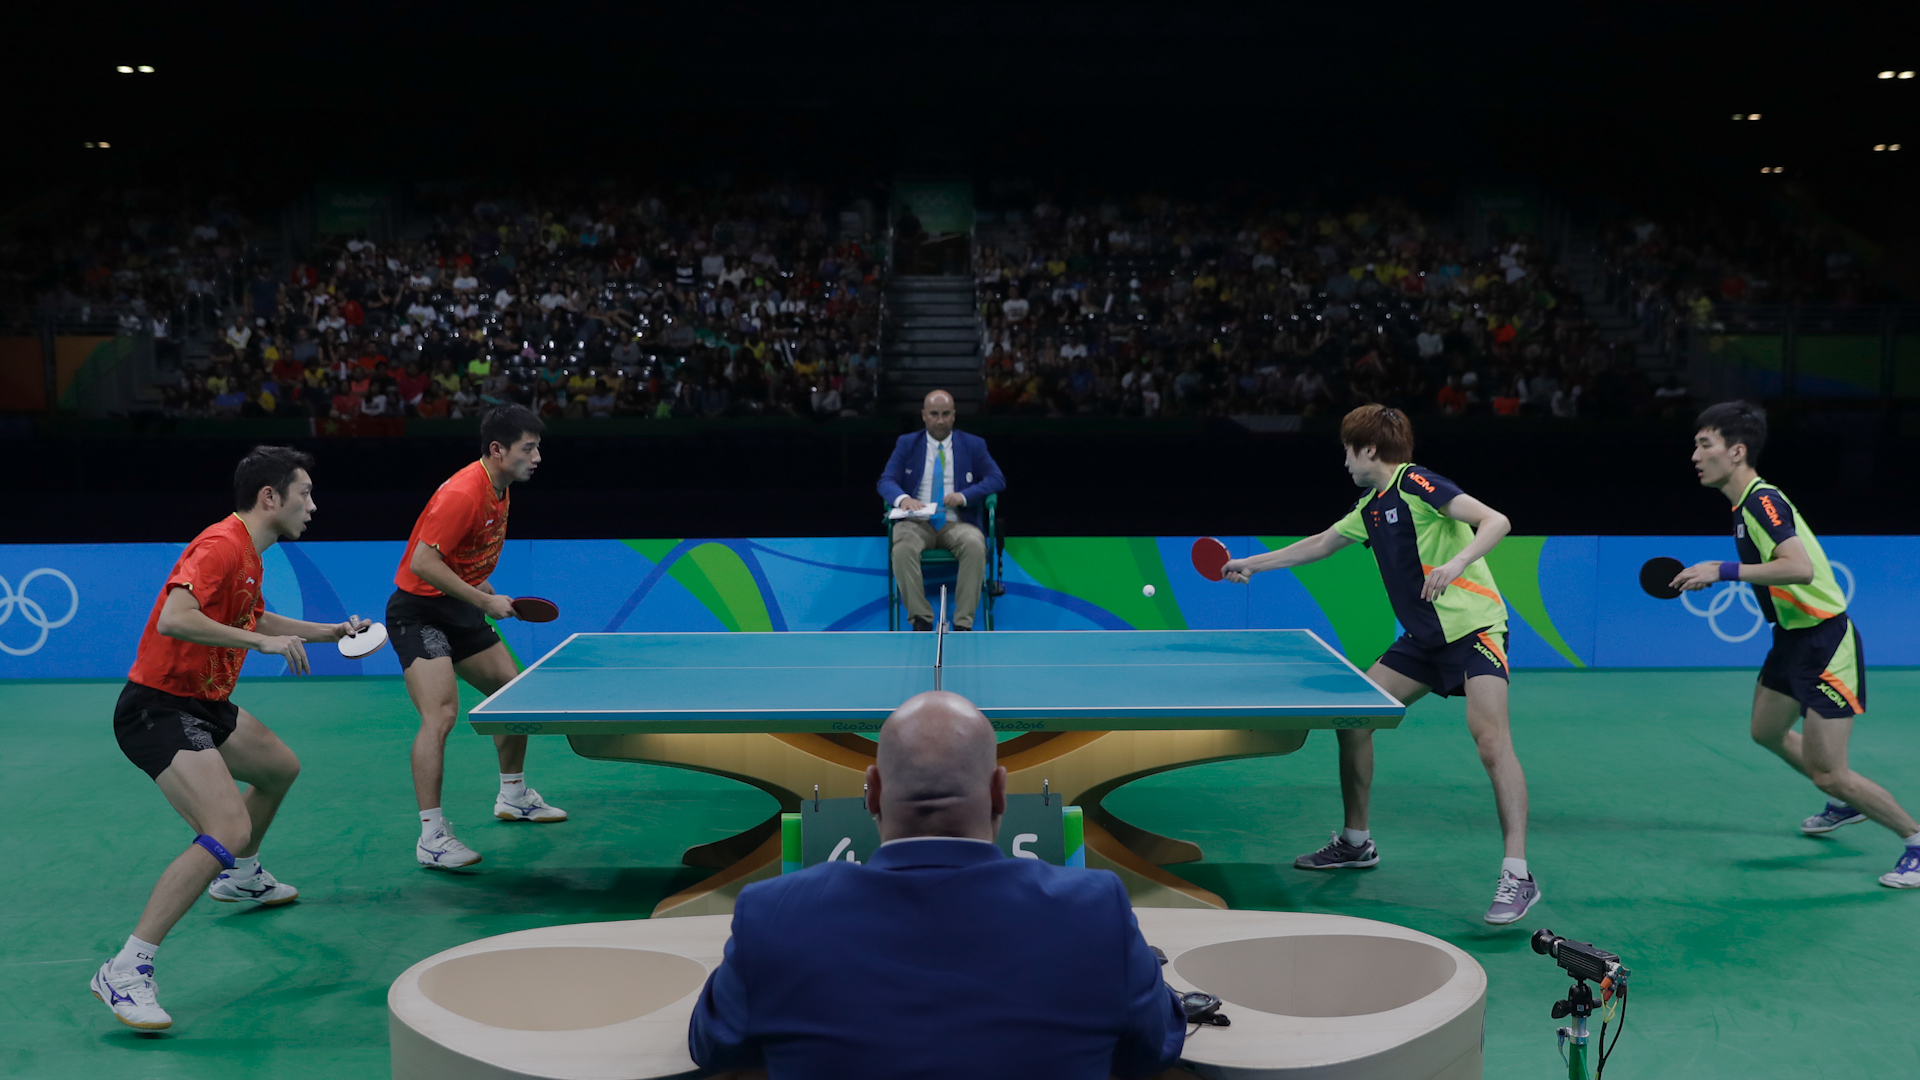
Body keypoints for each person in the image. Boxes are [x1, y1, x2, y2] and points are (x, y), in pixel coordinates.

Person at [687, 691, 1185, 1079]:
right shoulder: (1098, 911)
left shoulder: (771, 915)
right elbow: (1151, 1051)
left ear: (873, 792)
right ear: (999, 792)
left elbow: (712, 1045)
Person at [1220, 404, 1541, 924]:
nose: (1345, 460)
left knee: (1490, 742)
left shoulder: (1418, 483)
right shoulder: (1370, 506)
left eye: (1348, 450)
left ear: (1370, 449)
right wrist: (1251, 564)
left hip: (1475, 629)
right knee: (1354, 719)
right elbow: (1322, 544)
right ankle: (1356, 841)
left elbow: (1495, 520)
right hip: (1422, 640)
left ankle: (1518, 874)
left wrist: (1457, 563)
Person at [93, 447, 370, 1030]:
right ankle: (126, 968)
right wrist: (260, 646)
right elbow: (175, 616)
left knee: (278, 768)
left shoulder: (250, 552)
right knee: (227, 828)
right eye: (305, 494)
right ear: (270, 497)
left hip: (204, 700)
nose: (313, 507)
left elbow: (257, 618)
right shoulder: (220, 544)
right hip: (159, 707)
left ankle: (241, 878)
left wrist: (331, 632)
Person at [1673, 401, 1920, 888]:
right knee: (1766, 731)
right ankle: (1847, 807)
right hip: (1789, 638)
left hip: (1825, 642)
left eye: (1705, 445)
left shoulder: (1763, 501)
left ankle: (1913, 838)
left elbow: (1798, 567)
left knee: (1830, 771)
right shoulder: (1744, 505)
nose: (1696, 456)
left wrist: (1721, 571)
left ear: (1737, 451)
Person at [388, 404, 566, 870]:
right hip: (419, 613)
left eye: (538, 447)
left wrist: (483, 590)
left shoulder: (500, 490)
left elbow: (458, 560)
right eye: (529, 448)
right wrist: (486, 602)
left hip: (459, 606)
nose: (537, 457)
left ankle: (513, 795)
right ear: (497, 449)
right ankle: (431, 836)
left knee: (511, 696)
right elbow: (424, 563)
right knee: (441, 714)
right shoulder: (464, 492)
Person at [878, 389, 1006, 631]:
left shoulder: (973, 445)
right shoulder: (907, 444)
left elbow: (997, 479)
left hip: (956, 522)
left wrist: (964, 496)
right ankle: (921, 620)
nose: (940, 420)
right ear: (924, 416)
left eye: (945, 414)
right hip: (916, 522)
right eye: (934, 414)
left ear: (954, 415)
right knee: (902, 548)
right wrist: (904, 499)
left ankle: (962, 624)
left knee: (975, 546)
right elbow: (886, 481)